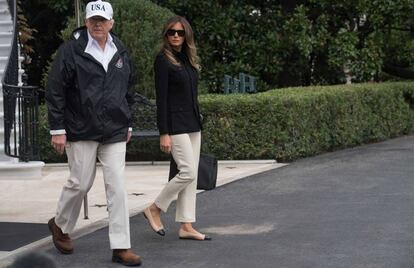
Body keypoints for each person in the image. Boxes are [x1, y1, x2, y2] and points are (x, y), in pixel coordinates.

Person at [45, 0, 141, 266]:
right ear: (86, 22)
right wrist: (57, 129)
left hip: (114, 130)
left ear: (112, 23)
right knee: (80, 183)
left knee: (118, 187)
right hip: (80, 128)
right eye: (93, 20)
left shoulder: (120, 51)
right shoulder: (71, 51)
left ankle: (121, 247)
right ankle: (60, 224)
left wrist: (128, 123)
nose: (98, 24)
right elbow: (55, 90)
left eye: (103, 20)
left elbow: (128, 90)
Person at [143, 16, 211, 241]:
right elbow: (161, 99)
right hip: (175, 125)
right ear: (166, 34)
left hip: (193, 123)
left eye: (180, 33)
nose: (175, 36)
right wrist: (164, 132)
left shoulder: (187, 59)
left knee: (191, 176)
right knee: (188, 171)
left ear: (186, 36)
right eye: (171, 32)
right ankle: (155, 208)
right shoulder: (163, 60)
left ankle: (186, 225)